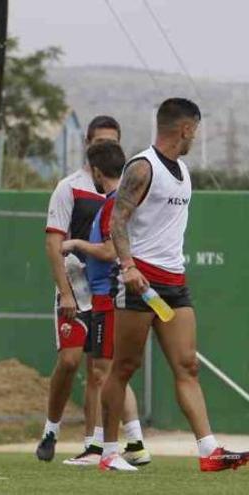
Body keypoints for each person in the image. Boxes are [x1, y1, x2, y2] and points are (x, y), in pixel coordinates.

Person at [100, 98, 249, 472]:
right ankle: (107, 453)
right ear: (185, 128)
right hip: (139, 284)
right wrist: (128, 267)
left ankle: (209, 451)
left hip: (174, 284)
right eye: (194, 130)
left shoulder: (183, 170)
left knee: (187, 366)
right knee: (124, 367)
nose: (194, 137)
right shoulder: (141, 167)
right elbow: (117, 221)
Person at [36, 116, 140, 462]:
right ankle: (51, 428)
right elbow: (55, 244)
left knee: (103, 369)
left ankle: (99, 445)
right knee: (69, 361)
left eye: (111, 143)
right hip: (76, 288)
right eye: (99, 143)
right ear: (88, 144)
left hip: (107, 291)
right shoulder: (69, 187)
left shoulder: (126, 191)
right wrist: (64, 291)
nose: (104, 148)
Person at [61, 141, 150, 467]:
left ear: (97, 172)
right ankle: (125, 444)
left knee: (106, 373)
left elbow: (111, 252)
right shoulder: (112, 203)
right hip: (103, 296)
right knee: (109, 372)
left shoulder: (113, 204)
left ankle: (106, 448)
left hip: (109, 296)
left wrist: (75, 244)